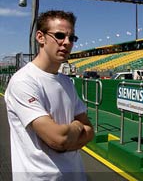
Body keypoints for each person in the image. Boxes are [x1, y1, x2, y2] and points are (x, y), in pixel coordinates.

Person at [5, 10, 94, 181]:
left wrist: (69, 136)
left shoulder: (66, 82)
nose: (66, 43)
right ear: (40, 37)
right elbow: (58, 139)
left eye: (72, 38)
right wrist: (76, 127)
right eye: (60, 35)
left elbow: (89, 132)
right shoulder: (23, 81)